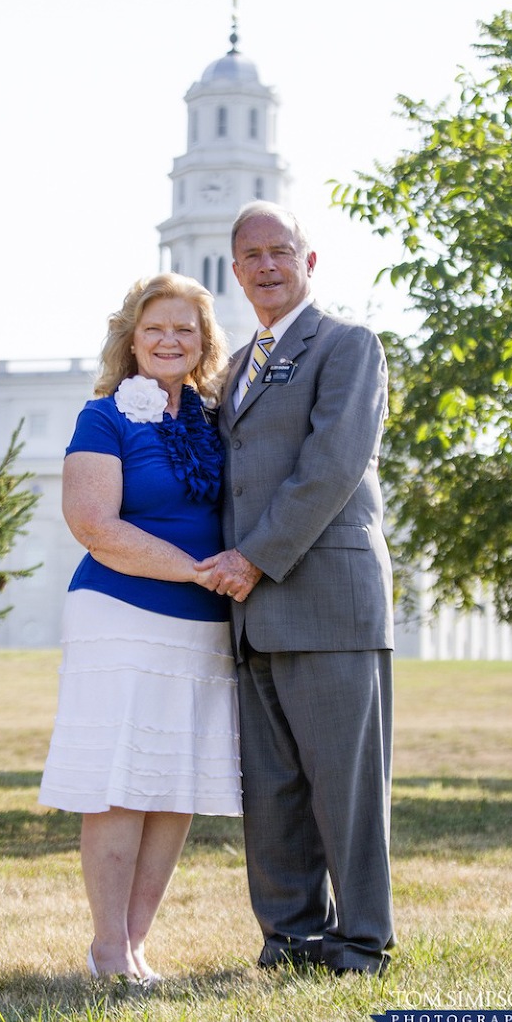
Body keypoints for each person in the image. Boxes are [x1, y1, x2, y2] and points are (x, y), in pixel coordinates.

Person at [194, 201, 395, 976]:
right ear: (237, 272)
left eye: (283, 251)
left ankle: (362, 943)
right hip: (250, 617)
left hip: (329, 600)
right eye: (253, 255)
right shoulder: (235, 366)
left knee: (346, 789)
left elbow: (332, 467)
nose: (268, 265)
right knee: (271, 791)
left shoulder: (347, 347)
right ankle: (291, 938)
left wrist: (253, 557)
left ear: (309, 263)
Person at [38, 272, 241, 985]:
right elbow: (96, 527)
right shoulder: (105, 416)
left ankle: (135, 944)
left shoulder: (216, 420)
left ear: (203, 343)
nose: (169, 340)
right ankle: (106, 947)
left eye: (186, 329)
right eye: (156, 327)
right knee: (122, 781)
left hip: (206, 624)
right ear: (131, 337)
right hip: (120, 616)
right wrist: (193, 570)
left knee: (174, 785)